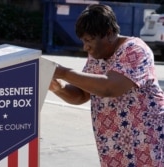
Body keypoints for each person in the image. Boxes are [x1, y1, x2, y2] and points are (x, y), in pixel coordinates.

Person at [49, 4, 164, 167]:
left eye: (89, 40)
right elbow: (82, 94)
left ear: (109, 34)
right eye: (83, 41)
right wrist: (58, 87)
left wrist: (64, 72)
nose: (85, 47)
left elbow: (110, 87)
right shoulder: (96, 56)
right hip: (113, 145)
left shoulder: (134, 50)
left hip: (145, 142)